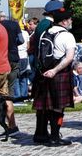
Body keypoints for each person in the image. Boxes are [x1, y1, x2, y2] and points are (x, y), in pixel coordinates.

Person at [32, 8, 77, 146]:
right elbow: (69, 58)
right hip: (59, 73)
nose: (71, 21)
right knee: (58, 107)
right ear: (64, 21)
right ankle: (55, 137)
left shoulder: (46, 32)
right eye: (69, 19)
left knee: (46, 106)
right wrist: (55, 70)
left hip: (44, 73)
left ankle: (42, 134)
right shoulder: (67, 35)